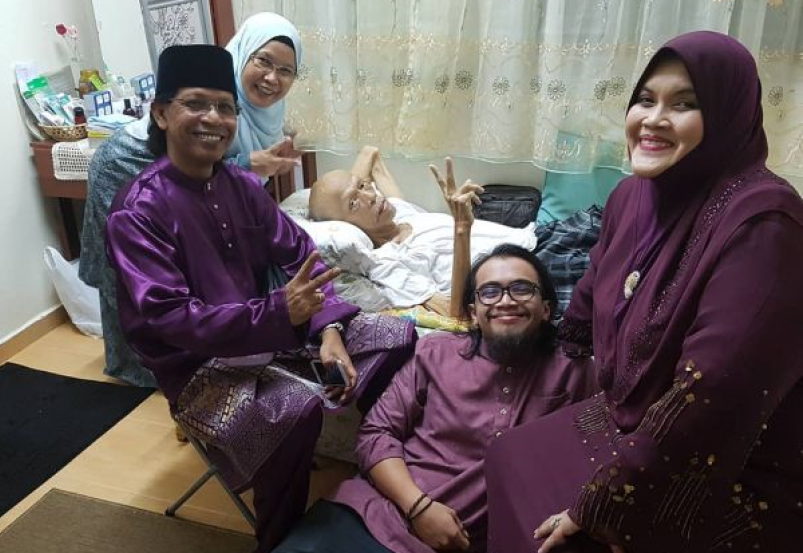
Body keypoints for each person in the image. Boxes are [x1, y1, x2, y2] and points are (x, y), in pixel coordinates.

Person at [485, 31, 803, 553]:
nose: (653, 119)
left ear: (729, 116)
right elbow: (591, 293)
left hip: (732, 464)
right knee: (508, 453)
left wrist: (605, 502)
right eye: (645, 99)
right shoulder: (630, 196)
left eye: (684, 104)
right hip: (629, 415)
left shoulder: (764, 225)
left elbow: (715, 396)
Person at [104, 44, 415, 553]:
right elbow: (170, 318)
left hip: (275, 335)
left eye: (225, 107)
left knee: (394, 334)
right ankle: (278, 538)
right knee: (294, 409)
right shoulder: (137, 211)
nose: (214, 119)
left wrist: (328, 328)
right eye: (196, 104)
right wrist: (278, 312)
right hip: (199, 368)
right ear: (160, 114)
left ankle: (383, 465)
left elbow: (301, 254)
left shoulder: (242, 186)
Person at [270, 243, 597, 553]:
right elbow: (376, 433)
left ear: (546, 308)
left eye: (522, 289)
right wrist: (419, 508)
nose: (506, 300)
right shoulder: (435, 352)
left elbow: (603, 459)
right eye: (490, 292)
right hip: (377, 516)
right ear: (474, 313)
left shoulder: (575, 372)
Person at [79, 11, 304, 386]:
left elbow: (292, 245)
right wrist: (248, 164)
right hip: (135, 171)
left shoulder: (254, 123)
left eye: (286, 70)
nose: (271, 78)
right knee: (138, 281)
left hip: (227, 308)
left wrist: (325, 319)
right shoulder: (137, 186)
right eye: (263, 61)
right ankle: (160, 369)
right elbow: (192, 166)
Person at [308, 146, 538, 314]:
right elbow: (455, 313)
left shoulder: (399, 211)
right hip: (530, 270)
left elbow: (370, 154)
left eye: (363, 185)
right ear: (347, 226)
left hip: (536, 236)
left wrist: (352, 190)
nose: (370, 196)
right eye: (354, 203)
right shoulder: (386, 264)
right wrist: (461, 229)